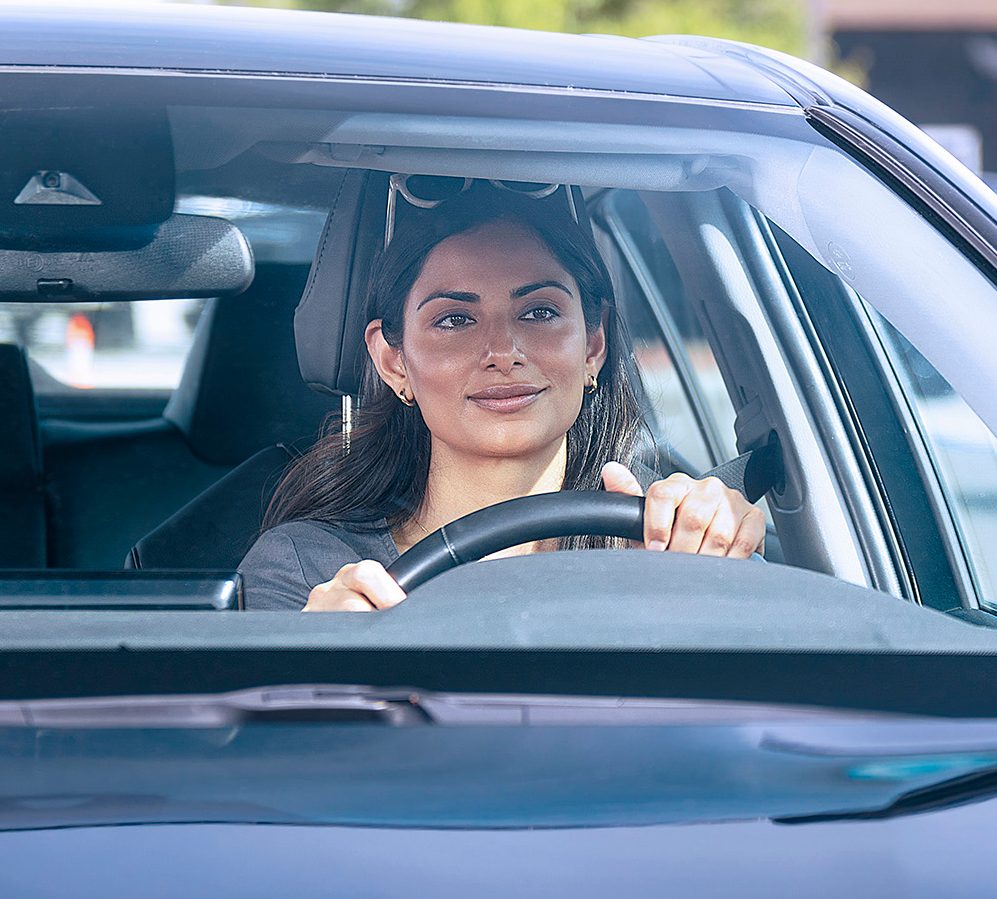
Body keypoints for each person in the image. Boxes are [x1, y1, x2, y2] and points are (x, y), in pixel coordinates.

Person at [239, 179, 765, 611]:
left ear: (594, 344)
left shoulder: (676, 541)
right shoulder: (306, 572)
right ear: (392, 360)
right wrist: (311, 662)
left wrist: (711, 569)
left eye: (539, 312)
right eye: (455, 319)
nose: (502, 351)